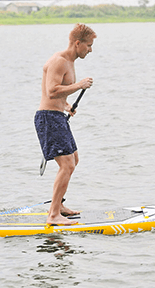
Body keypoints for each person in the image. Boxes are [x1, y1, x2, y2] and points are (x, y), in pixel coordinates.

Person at [35, 23, 96, 225]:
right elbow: (51, 90)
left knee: (73, 160)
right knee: (67, 165)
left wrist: (66, 105)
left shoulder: (70, 61)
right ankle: (53, 215)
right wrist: (79, 85)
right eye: (88, 45)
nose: (90, 49)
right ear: (77, 43)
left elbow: (56, 94)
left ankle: (58, 205)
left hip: (57, 116)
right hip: (48, 118)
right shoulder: (60, 61)